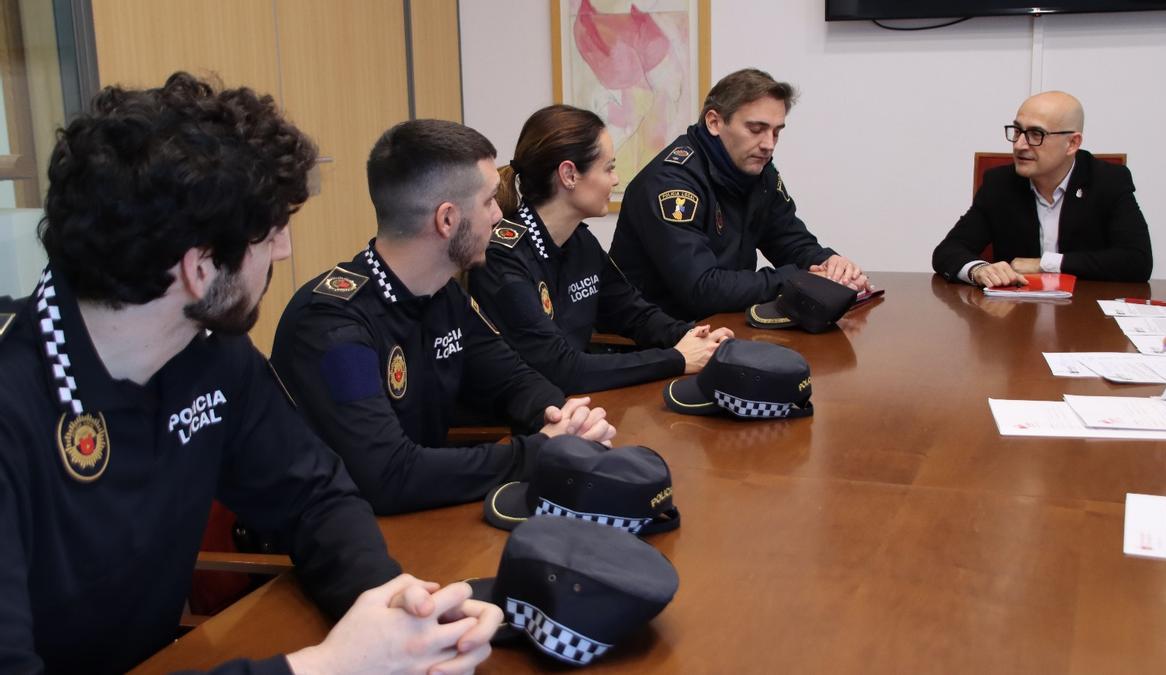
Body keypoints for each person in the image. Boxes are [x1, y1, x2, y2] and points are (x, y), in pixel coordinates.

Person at [0, 74, 499, 674]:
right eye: (271, 231)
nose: (285, 250)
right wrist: (328, 667)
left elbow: (314, 496)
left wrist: (395, 607)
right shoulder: (15, 407)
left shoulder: (210, 353)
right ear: (200, 268)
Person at [271, 119, 617, 516]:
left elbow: (511, 379)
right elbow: (390, 474)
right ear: (447, 219)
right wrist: (539, 451)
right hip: (347, 544)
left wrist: (565, 418)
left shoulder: (441, 292)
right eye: (488, 202)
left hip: (422, 516)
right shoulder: (332, 324)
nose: (498, 217)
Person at [467, 105, 733, 394]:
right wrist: (678, 359)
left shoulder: (580, 241)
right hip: (527, 425)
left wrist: (693, 336)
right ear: (569, 175)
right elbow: (563, 369)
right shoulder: (503, 258)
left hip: (578, 405)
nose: (615, 179)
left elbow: (634, 314)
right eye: (608, 168)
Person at [608, 68, 868, 321]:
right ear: (714, 122)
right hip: (655, 340)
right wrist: (799, 279)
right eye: (756, 129)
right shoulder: (671, 184)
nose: (768, 144)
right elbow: (702, 288)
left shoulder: (757, 171)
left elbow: (789, 240)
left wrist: (830, 265)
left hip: (721, 325)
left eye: (776, 132)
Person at [932, 91, 1153, 288]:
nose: (1019, 144)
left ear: (1072, 143)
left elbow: (1137, 261)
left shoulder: (1108, 181)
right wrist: (978, 270)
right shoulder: (1000, 184)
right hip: (1015, 320)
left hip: (1086, 316)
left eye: (1036, 134)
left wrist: (1045, 264)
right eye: (1017, 131)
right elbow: (948, 251)